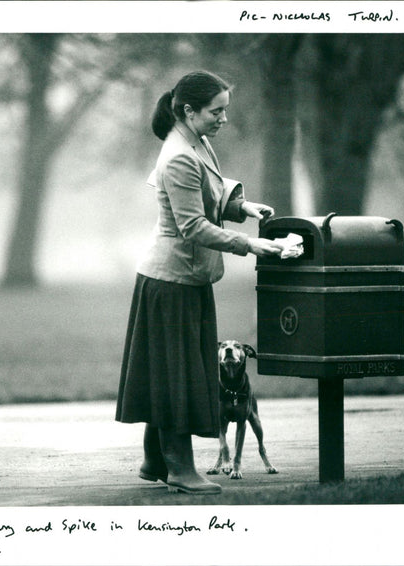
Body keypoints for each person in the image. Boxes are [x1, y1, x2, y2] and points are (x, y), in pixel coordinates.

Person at [115, 70, 282, 495]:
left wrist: (243, 207)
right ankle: (180, 469)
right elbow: (193, 225)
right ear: (189, 111)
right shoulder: (177, 156)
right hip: (172, 281)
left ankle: (154, 460)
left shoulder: (195, 142)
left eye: (225, 109)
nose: (223, 118)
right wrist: (249, 246)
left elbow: (211, 191)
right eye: (216, 111)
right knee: (177, 375)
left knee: (168, 369)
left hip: (184, 278)